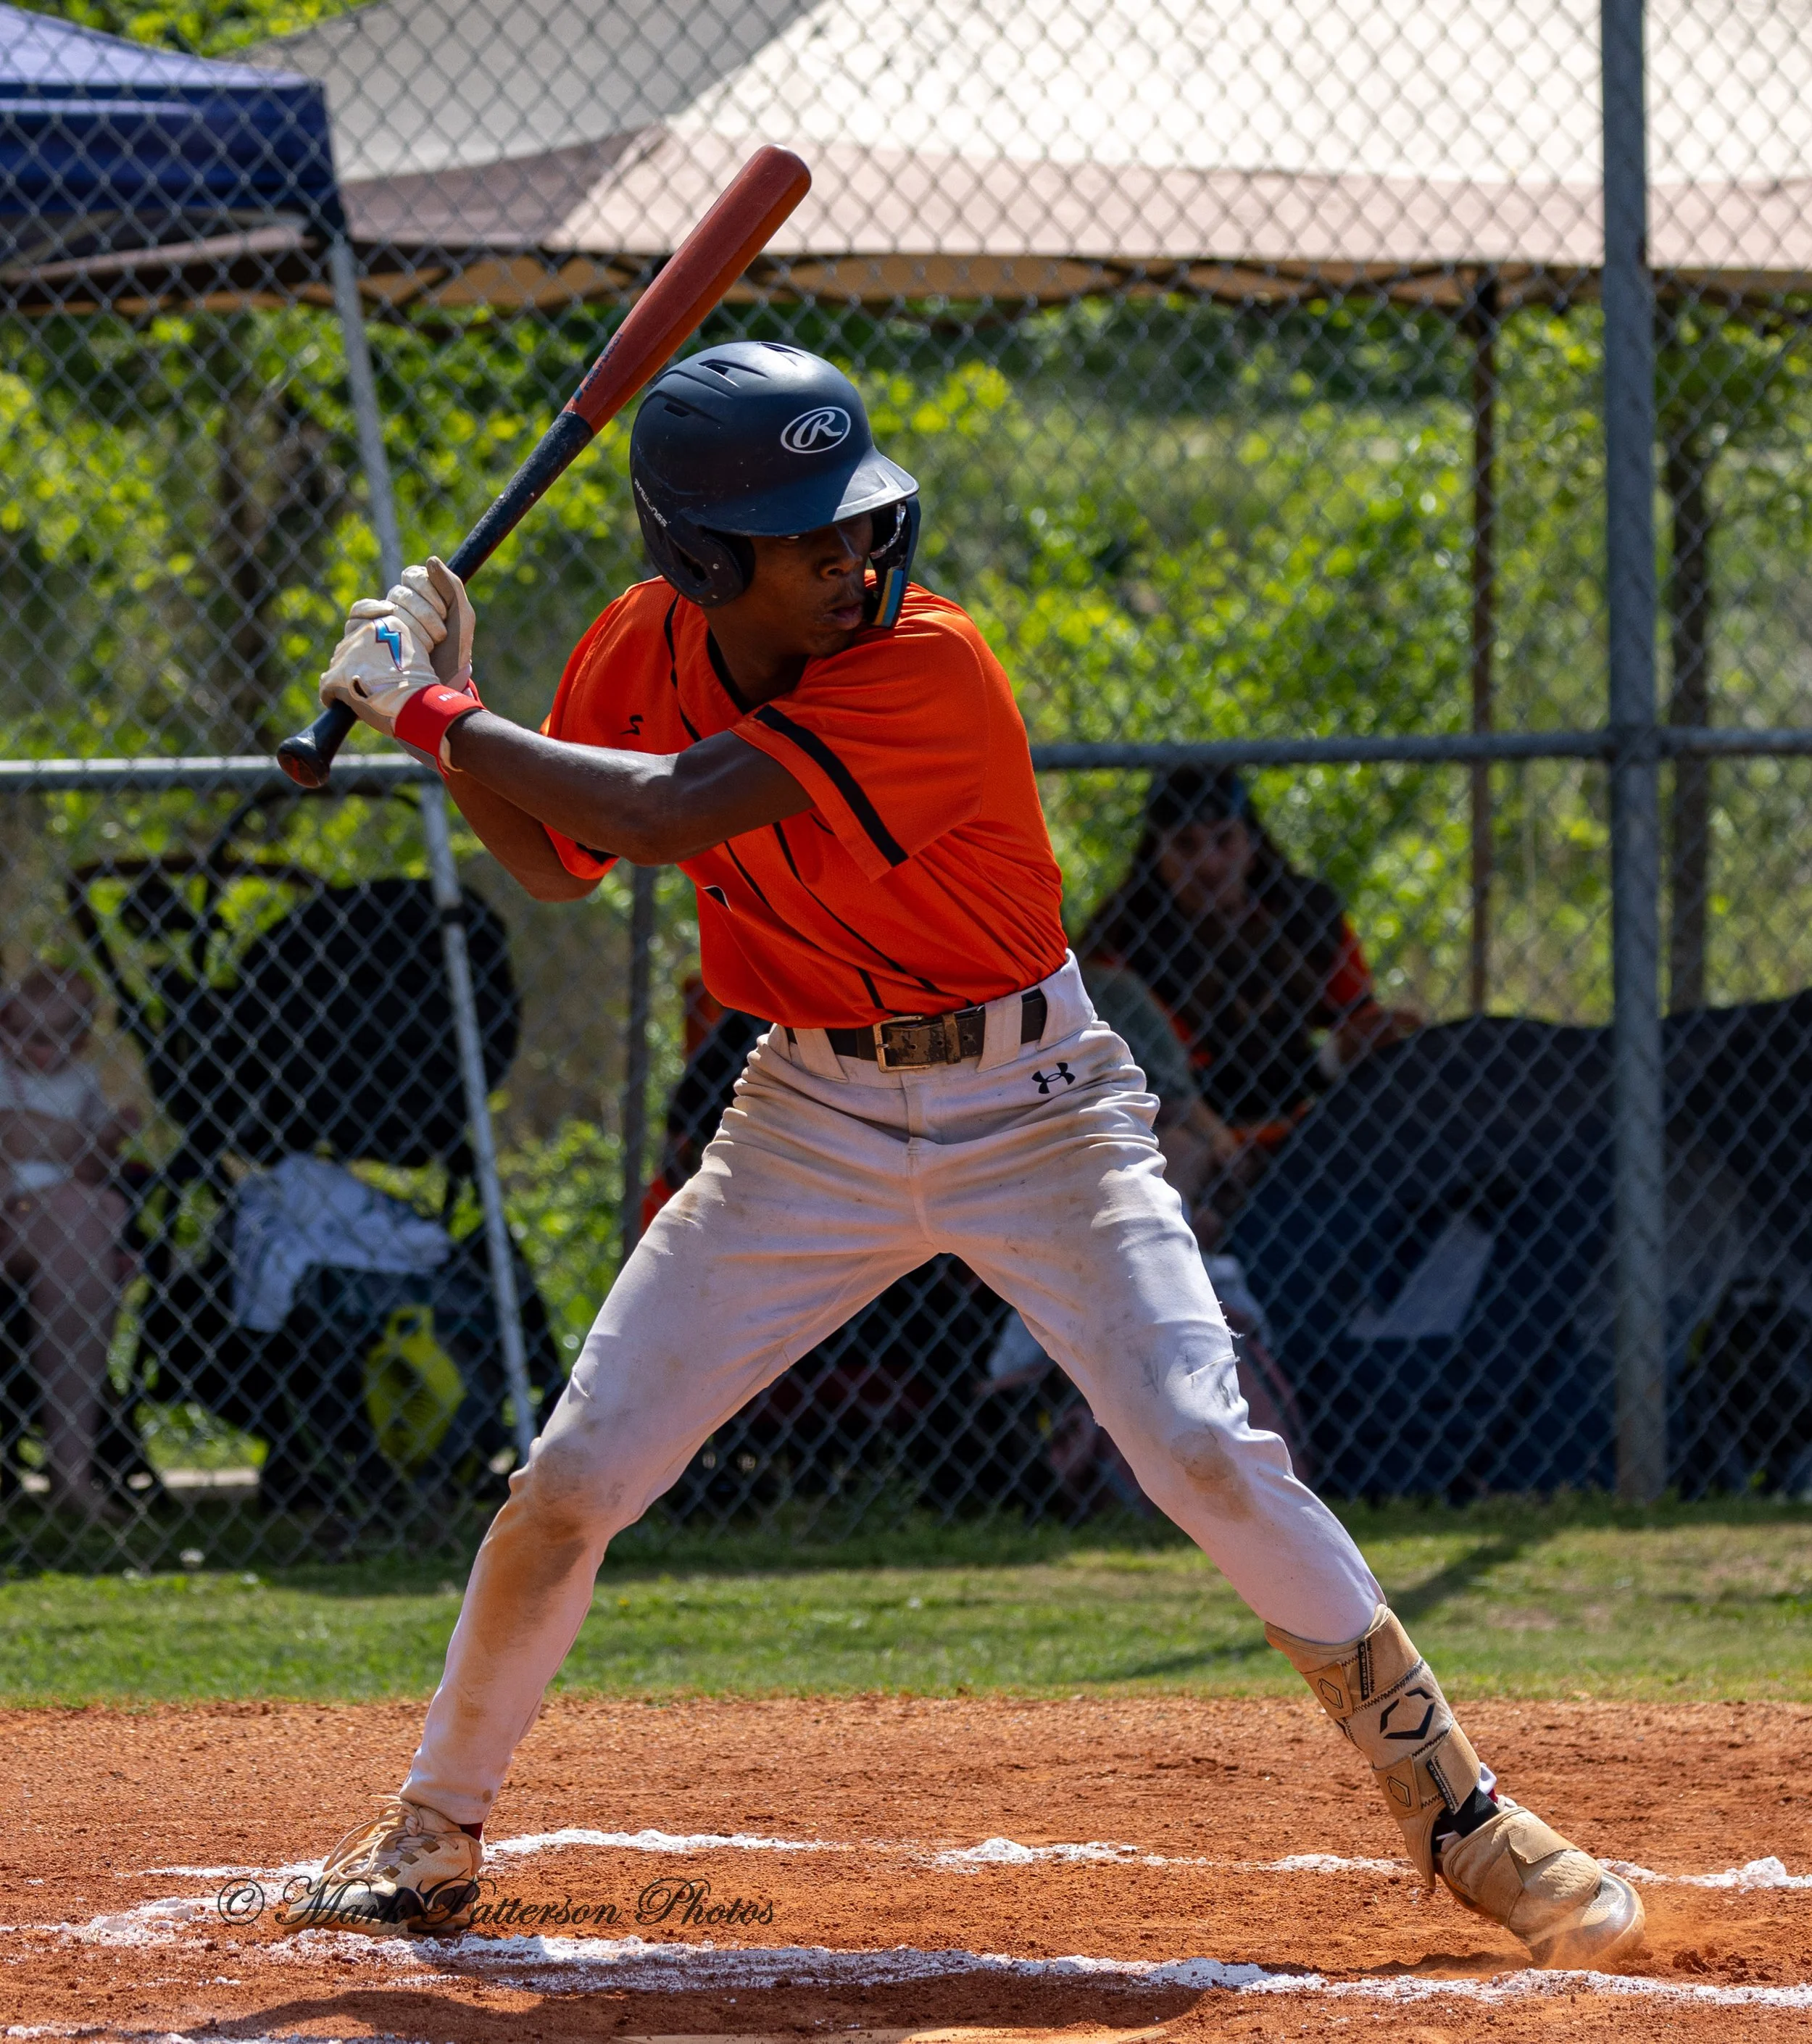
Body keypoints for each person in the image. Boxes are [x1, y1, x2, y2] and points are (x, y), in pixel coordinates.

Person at [278, 340, 1643, 1970]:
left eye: (859, 523)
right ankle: (427, 1838)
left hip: (1039, 1107)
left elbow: (658, 813)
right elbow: (563, 861)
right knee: (570, 1482)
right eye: (805, 539)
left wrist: (425, 706)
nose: (852, 559)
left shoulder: (926, 668)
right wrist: (454, 722)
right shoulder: (638, 648)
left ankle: (1469, 1821)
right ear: (703, 561)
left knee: (1204, 1449)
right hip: (809, 1118)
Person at [1082, 766, 1419, 1238]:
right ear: (1155, 854)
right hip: (1195, 1137)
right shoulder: (1124, 942)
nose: (1210, 865)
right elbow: (1170, 1087)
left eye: (1224, 840)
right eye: (1185, 845)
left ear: (1253, 843)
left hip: (1313, 1127)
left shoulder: (1309, 917)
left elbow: (1361, 1026)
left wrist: (1360, 1046)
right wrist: (1325, 1064)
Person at [0, 968, 138, 1518]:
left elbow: (91, 1161)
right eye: (20, 1034)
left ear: (79, 1040)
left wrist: (100, 1140)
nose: (32, 1050)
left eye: (50, 1038)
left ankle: (72, 1471)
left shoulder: (81, 1080)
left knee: (90, 1210)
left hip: (49, 1212)